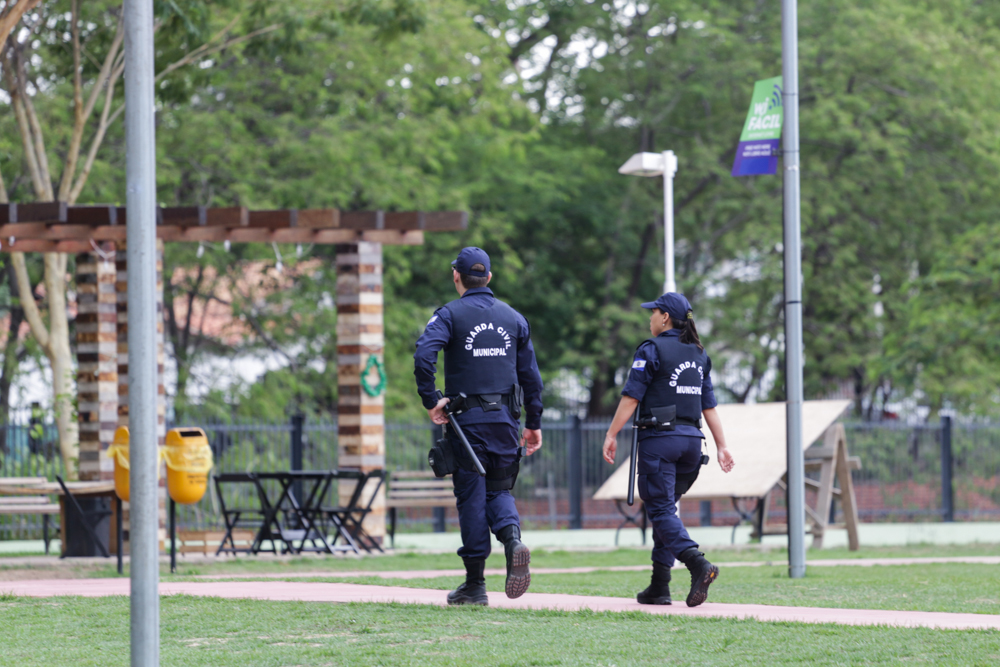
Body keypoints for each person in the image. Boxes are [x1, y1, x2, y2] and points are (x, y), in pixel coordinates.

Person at [414, 247, 544, 605]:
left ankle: (475, 584)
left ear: (456, 276)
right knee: (499, 491)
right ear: (489, 277)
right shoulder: (515, 318)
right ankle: (513, 540)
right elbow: (531, 378)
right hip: (505, 421)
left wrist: (431, 400)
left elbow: (424, 356)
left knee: (471, 495)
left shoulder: (448, 316)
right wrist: (533, 423)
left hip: (466, 423)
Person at [602, 292, 735, 607]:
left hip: (660, 442)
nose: (650, 317)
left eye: (654, 312)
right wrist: (722, 447)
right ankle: (659, 586)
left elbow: (632, 396)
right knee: (665, 512)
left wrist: (611, 433)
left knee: (660, 511)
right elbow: (709, 406)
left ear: (665, 318)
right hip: (692, 445)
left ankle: (697, 563)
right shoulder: (699, 354)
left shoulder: (651, 350)